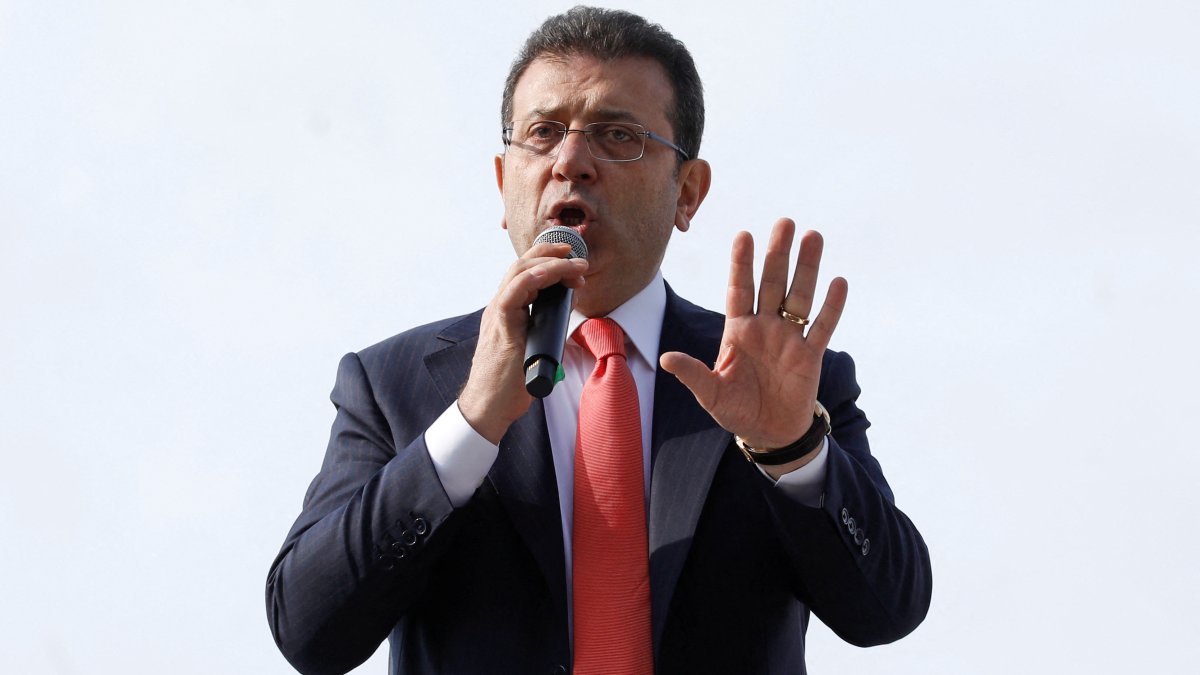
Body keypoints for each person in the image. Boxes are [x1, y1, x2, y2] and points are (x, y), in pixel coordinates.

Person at [266, 6, 931, 674]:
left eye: (618, 135)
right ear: (503, 182)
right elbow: (310, 632)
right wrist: (471, 422)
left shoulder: (772, 380)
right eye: (543, 133)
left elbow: (887, 610)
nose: (571, 162)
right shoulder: (394, 384)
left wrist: (791, 449)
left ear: (688, 192)